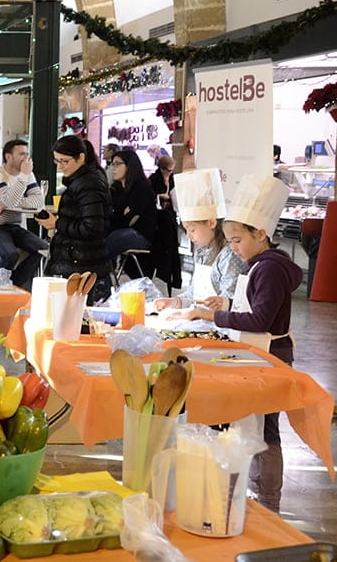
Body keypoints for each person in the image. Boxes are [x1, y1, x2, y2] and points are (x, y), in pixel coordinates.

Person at [176, 173, 299, 513]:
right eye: (228, 241)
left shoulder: (269, 269)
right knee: (254, 423)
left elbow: (261, 320)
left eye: (235, 241)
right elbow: (260, 308)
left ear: (260, 234)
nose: (232, 248)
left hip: (270, 357)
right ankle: (250, 492)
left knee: (268, 429)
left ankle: (269, 501)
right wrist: (228, 306)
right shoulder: (259, 264)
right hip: (254, 353)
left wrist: (214, 317)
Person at [154, 168, 246, 310]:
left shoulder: (230, 255)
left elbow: (228, 303)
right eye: (186, 230)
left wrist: (199, 314)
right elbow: (194, 294)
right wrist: (174, 302)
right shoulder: (202, 252)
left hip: (220, 325)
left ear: (211, 223)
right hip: (201, 321)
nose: (189, 236)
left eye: (192, 230)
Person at [36, 135, 112, 303]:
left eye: (65, 161)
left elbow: (93, 227)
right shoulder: (82, 181)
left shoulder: (88, 184)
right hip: (78, 259)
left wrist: (57, 223)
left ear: (81, 158)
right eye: (57, 162)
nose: (61, 167)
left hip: (83, 263)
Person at [0, 139, 49, 290]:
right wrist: (23, 177)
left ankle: (13, 285)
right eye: (21, 154)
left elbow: (38, 202)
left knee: (43, 249)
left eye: (27, 154)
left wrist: (7, 204)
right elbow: (11, 200)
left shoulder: (27, 174)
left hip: (15, 226)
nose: (25, 159)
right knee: (10, 254)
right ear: (8, 157)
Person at [106, 148, 157, 263]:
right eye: (112, 164)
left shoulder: (141, 188)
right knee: (97, 242)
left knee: (106, 244)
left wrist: (121, 216)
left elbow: (131, 219)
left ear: (129, 166)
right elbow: (113, 215)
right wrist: (121, 215)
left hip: (141, 234)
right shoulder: (116, 190)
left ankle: (102, 280)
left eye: (117, 164)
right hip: (122, 230)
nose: (113, 168)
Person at [146, 154, 182, 290]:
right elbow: (149, 198)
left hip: (169, 217)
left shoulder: (173, 180)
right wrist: (159, 196)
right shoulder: (154, 180)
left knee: (172, 246)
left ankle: (174, 278)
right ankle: (164, 273)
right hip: (158, 220)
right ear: (162, 169)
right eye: (169, 170)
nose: (170, 173)